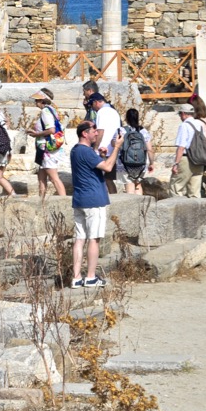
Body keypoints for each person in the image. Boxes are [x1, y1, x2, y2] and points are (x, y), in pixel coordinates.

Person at [69, 120, 123, 288]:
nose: (96, 133)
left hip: (80, 199)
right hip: (93, 200)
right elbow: (107, 168)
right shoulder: (86, 151)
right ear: (84, 133)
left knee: (80, 239)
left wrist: (103, 155)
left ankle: (76, 277)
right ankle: (91, 277)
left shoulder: (75, 151)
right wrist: (117, 148)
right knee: (94, 239)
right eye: (93, 130)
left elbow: (94, 167)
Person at [27, 88, 66, 199]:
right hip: (44, 149)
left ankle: (65, 202)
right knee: (41, 177)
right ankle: (42, 204)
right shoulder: (52, 109)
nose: (35, 102)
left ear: (42, 101)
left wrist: (36, 134)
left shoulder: (45, 111)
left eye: (37, 100)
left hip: (46, 149)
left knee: (54, 178)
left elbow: (51, 130)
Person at [170, 100, 206, 199]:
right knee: (195, 191)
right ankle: (196, 213)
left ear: (183, 114)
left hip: (186, 159)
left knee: (176, 187)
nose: (180, 117)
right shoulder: (199, 124)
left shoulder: (184, 125)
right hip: (199, 160)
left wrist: (176, 163)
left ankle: (177, 212)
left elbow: (181, 146)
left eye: (180, 114)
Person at [88, 93, 122, 194]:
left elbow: (100, 131)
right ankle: (114, 200)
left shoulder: (102, 112)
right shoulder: (114, 111)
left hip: (103, 150)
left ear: (96, 102)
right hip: (113, 149)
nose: (92, 108)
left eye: (92, 105)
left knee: (101, 179)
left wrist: (95, 148)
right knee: (109, 179)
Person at [119, 107, 154, 195]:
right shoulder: (143, 131)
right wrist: (152, 163)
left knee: (129, 183)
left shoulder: (122, 130)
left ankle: (132, 207)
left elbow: (115, 144)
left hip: (125, 163)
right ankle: (140, 207)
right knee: (138, 184)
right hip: (141, 163)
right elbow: (149, 149)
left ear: (126, 118)